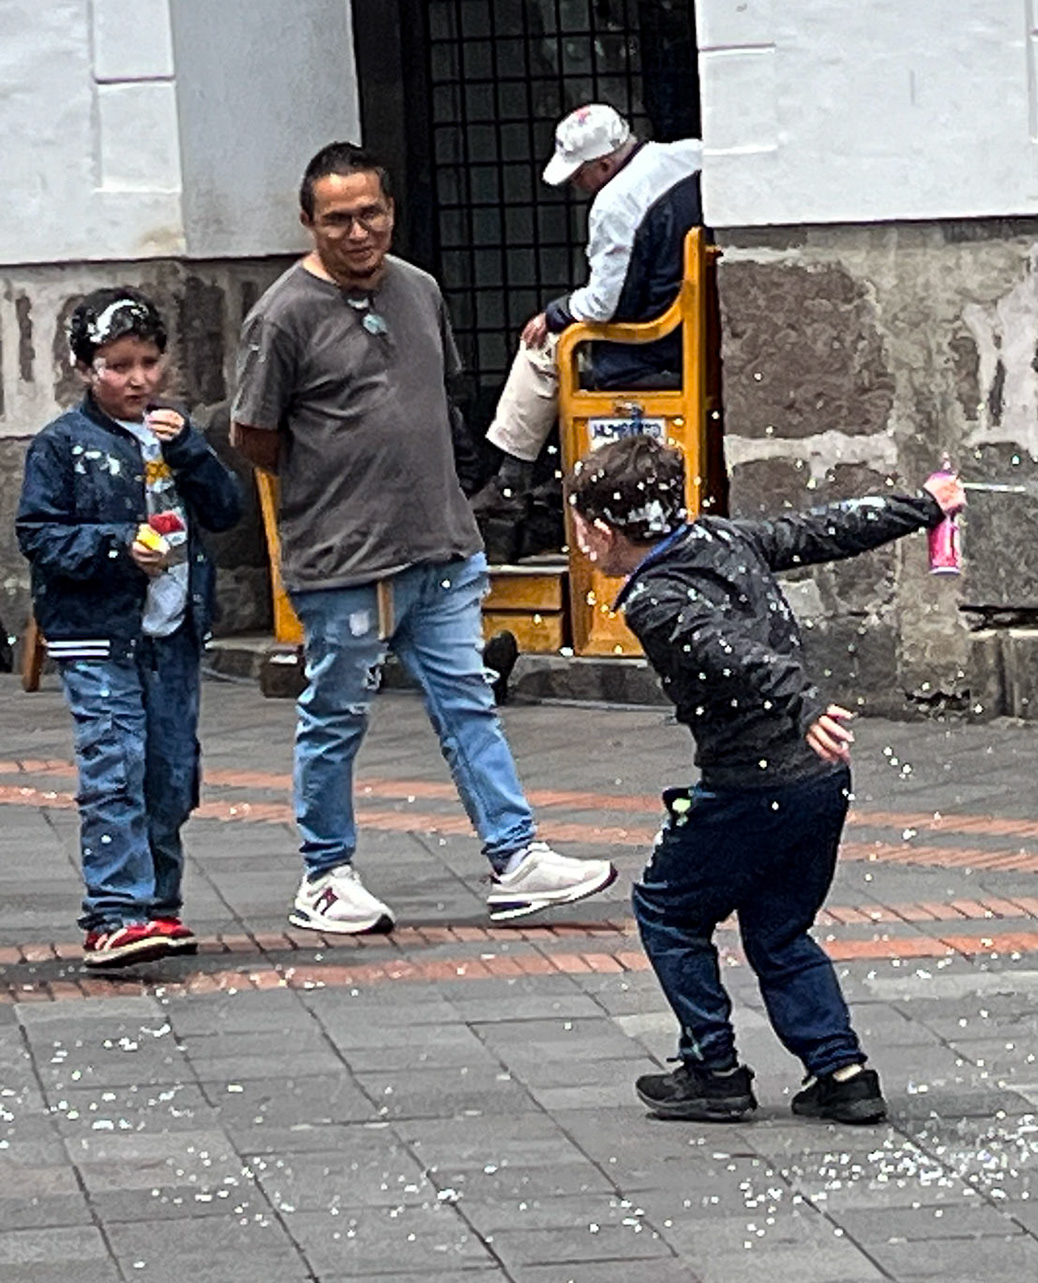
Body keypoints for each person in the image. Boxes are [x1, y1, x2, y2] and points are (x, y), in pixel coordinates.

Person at [230, 141, 618, 935]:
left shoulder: (420, 290)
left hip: (439, 541)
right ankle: (325, 872)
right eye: (336, 218)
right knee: (335, 712)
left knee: (468, 701)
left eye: (370, 212)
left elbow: (436, 396)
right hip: (344, 558)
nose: (357, 231)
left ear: (391, 211)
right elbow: (254, 434)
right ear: (308, 222)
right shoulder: (281, 315)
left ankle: (515, 855)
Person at [565, 433, 964, 1124]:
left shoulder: (654, 599)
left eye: (577, 526)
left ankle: (712, 1067)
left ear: (601, 534)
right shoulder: (722, 537)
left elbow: (725, 647)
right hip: (819, 779)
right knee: (779, 930)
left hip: (753, 785)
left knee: (666, 906)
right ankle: (842, 1072)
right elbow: (821, 529)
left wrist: (799, 697)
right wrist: (920, 507)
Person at [16, 289, 242, 968]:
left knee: (171, 771)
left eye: (148, 361)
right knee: (115, 766)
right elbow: (39, 533)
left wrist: (195, 450)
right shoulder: (63, 445)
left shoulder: (175, 433)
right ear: (86, 367)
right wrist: (118, 546)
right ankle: (114, 911)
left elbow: (227, 510)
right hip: (97, 634)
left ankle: (159, 906)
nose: (138, 378)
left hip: (171, 632)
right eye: (119, 365)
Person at [481, 105, 703, 487]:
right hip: (693, 330)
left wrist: (554, 312)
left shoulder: (615, 203)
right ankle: (536, 479)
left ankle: (511, 480)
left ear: (602, 164)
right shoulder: (692, 156)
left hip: (652, 347)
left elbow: (604, 304)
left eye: (579, 173)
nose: (576, 183)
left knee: (542, 344)